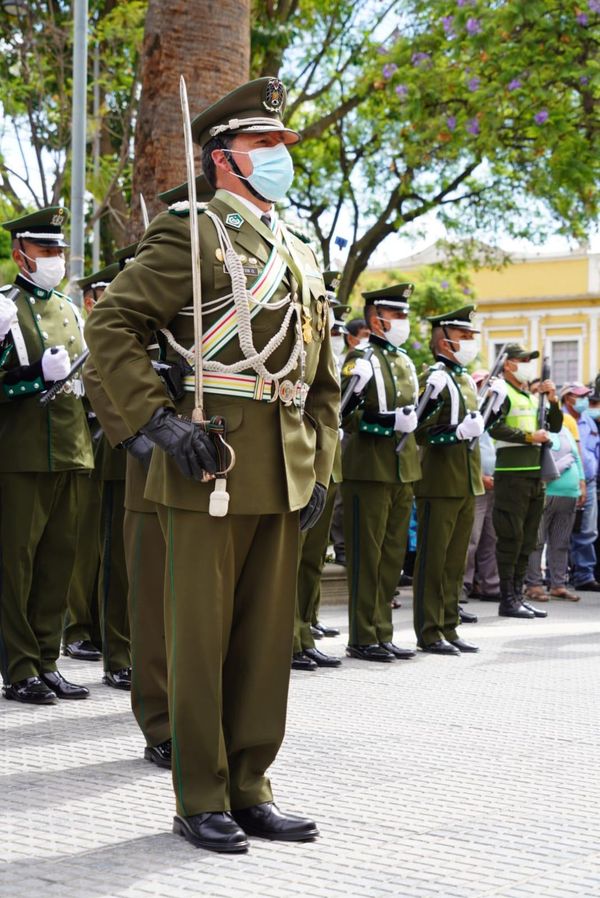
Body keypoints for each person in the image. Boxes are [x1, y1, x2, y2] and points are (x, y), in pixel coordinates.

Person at [85, 77, 339, 853]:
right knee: (198, 639)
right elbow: (114, 327)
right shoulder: (189, 235)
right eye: (265, 146)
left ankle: (251, 785)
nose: (279, 157)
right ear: (224, 158)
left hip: (284, 462)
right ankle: (200, 793)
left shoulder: (295, 246)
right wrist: (156, 422)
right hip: (211, 460)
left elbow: (319, 373)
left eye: (282, 146)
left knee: (265, 641)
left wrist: (322, 462)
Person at [0, 206, 93, 703]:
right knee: (16, 564)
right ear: (20, 254)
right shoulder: (4, 307)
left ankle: (47, 659)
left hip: (72, 450)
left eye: (59, 249)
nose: (56, 257)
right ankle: (18, 668)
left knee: (59, 562)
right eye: (46, 250)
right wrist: (34, 376)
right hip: (22, 451)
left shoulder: (70, 309)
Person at [412, 305, 506, 655]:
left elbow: (476, 429)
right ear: (445, 339)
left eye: (470, 337)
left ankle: (449, 625)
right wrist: (455, 433)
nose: (469, 342)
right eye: (463, 336)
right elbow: (418, 433)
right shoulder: (433, 378)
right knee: (434, 560)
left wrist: (494, 409)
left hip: (467, 481)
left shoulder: (465, 379)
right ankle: (430, 630)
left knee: (456, 562)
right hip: (439, 481)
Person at [340, 283, 420, 662]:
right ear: (376, 317)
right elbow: (343, 413)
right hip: (368, 468)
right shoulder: (361, 358)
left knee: (392, 557)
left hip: (403, 469)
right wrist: (386, 422)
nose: (403, 321)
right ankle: (362, 635)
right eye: (397, 314)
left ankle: (383, 631)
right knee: (366, 556)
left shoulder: (403, 361)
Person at [63, 265, 120, 664]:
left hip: (110, 442)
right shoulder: (76, 331)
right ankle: (77, 627)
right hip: (85, 439)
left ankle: (99, 626)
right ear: (91, 299)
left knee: (109, 543)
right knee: (85, 545)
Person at [292, 273, 346, 672]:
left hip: (327, 463)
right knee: (292, 560)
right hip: (301, 459)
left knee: (313, 559)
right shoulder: (296, 341)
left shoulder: (327, 348)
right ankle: (290, 636)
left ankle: (304, 629)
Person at [489, 344, 562, 618]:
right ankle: (507, 598)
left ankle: (517, 596)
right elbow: (494, 426)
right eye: (521, 360)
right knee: (511, 537)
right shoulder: (503, 392)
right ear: (508, 364)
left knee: (528, 539)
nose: (527, 364)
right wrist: (530, 437)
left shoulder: (530, 397)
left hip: (534, 474)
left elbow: (553, 426)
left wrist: (552, 399)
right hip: (512, 475)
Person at [329, 316, 371, 566]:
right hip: (337, 431)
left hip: (350, 433)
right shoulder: (348, 361)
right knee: (338, 496)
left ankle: (343, 544)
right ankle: (339, 545)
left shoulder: (359, 360)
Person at [525, 426, 584, 602]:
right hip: (544, 493)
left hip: (569, 495)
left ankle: (558, 585)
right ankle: (533, 585)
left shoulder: (565, 430)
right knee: (537, 541)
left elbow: (577, 458)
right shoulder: (536, 428)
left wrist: (581, 482)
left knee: (561, 542)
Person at [463, 369, 501, 602]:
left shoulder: (492, 414)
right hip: (476, 483)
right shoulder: (470, 412)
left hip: (495, 483)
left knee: (491, 538)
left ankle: (490, 586)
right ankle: (462, 586)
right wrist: (479, 476)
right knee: (471, 539)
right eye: (481, 384)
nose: (486, 388)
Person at [561, 383, 600, 591]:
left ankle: (584, 575)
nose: (585, 400)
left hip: (590, 482)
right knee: (561, 529)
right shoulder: (558, 418)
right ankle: (556, 575)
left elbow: (595, 451)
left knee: (587, 531)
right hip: (564, 481)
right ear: (568, 398)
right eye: (581, 396)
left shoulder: (588, 420)